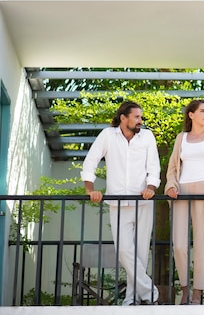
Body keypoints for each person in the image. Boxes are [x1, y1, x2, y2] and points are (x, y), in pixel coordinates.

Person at [81, 101, 161, 305]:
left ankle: (131, 300)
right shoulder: (108, 135)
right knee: (124, 251)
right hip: (117, 202)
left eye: (141, 117)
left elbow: (154, 167)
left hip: (143, 201)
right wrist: (90, 190)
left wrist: (151, 187)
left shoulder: (147, 136)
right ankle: (150, 293)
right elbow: (90, 162)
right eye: (137, 117)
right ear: (123, 118)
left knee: (141, 253)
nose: (140, 121)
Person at [164, 99, 204, 305]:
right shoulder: (181, 138)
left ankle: (197, 293)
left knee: (201, 243)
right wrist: (171, 186)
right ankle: (184, 289)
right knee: (179, 245)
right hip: (181, 192)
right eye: (202, 111)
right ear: (191, 114)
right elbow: (173, 166)